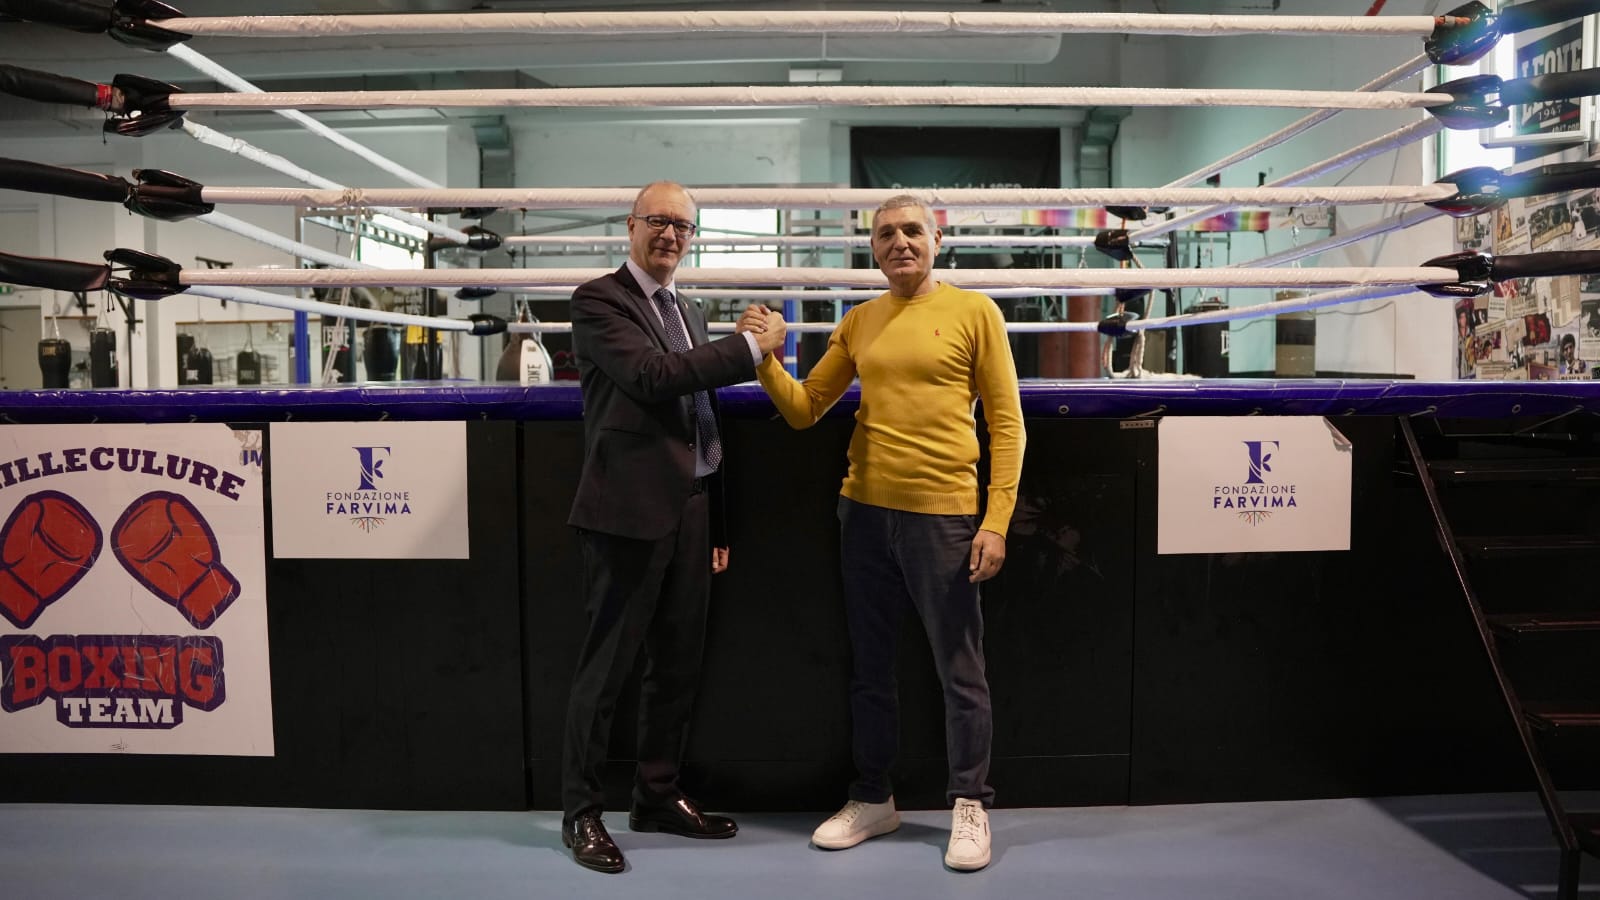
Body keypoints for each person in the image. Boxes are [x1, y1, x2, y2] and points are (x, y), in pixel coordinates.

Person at [737, 195, 1025, 872]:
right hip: (863, 513)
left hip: (945, 517)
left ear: (937, 240)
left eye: (912, 231)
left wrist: (996, 521)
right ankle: (873, 797)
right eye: (886, 233)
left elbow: (1007, 424)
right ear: (872, 247)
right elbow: (806, 408)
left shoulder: (975, 312)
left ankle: (970, 803)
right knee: (870, 668)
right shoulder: (860, 320)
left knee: (961, 670)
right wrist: (764, 357)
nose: (900, 242)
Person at [562, 181, 787, 874]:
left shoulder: (685, 308)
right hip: (627, 513)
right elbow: (654, 377)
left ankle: (656, 795)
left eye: (683, 226)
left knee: (677, 665)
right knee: (606, 671)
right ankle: (581, 813)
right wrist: (750, 347)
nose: (670, 235)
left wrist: (715, 518)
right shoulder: (598, 300)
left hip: (690, 509)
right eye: (658, 221)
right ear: (630, 226)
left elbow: (701, 415)